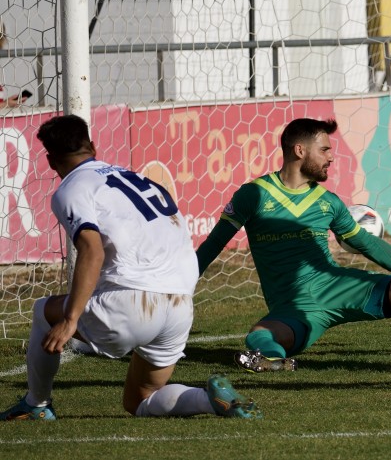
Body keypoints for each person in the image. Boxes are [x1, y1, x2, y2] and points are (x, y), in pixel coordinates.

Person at [195, 117, 391, 373]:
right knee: (259, 335)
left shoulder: (328, 202)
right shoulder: (254, 195)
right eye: (325, 149)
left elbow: (366, 243)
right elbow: (214, 245)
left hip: (341, 286)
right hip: (294, 309)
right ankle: (273, 361)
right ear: (300, 150)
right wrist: (179, 284)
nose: (332, 157)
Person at [2, 114, 260, 421]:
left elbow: (92, 250)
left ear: (49, 160)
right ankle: (210, 400)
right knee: (139, 400)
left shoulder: (71, 188)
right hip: (180, 305)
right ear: (93, 146)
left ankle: (36, 404)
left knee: (43, 311)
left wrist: (71, 319)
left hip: (131, 305)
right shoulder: (138, 179)